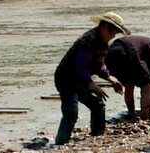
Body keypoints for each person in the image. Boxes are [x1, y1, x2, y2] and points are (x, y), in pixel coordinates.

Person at [53, 12, 128, 145]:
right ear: (104, 26)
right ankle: (60, 143)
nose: (113, 35)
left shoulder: (103, 43)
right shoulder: (88, 40)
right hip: (66, 79)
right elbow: (81, 67)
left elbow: (98, 65)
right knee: (70, 112)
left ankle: (97, 137)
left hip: (81, 80)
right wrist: (93, 86)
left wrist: (110, 78)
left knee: (98, 105)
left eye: (116, 33)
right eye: (112, 31)